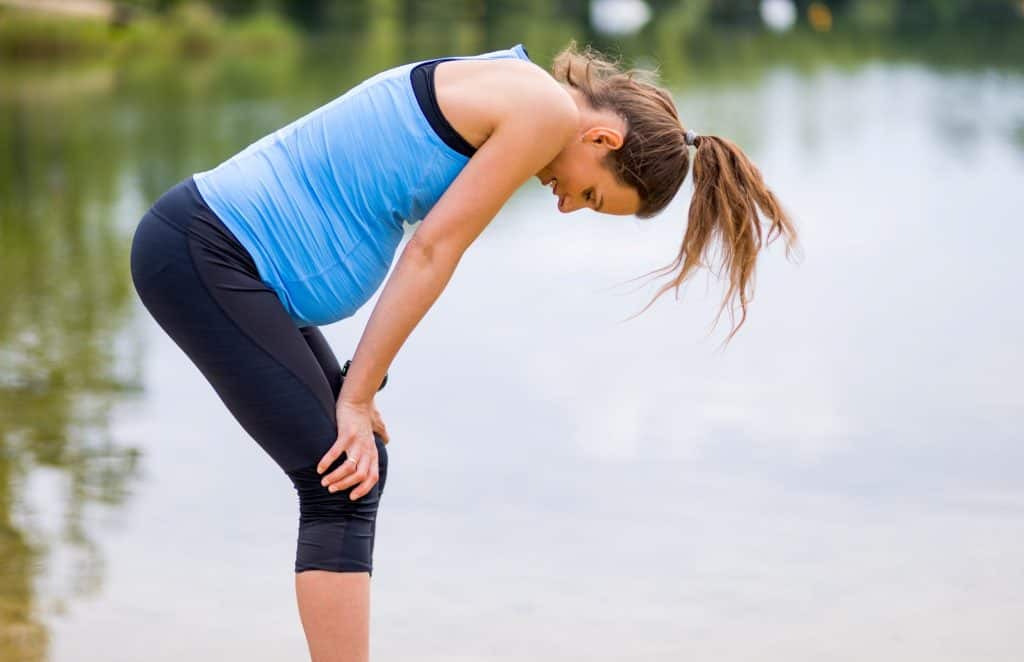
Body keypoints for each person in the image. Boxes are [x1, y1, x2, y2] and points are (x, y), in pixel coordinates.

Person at [129, 41, 799, 662]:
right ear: (602, 137)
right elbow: (432, 251)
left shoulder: (519, 89)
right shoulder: (540, 111)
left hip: (220, 255)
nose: (569, 206)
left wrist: (364, 383)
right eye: (593, 193)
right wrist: (354, 396)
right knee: (340, 482)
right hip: (207, 252)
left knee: (357, 468)